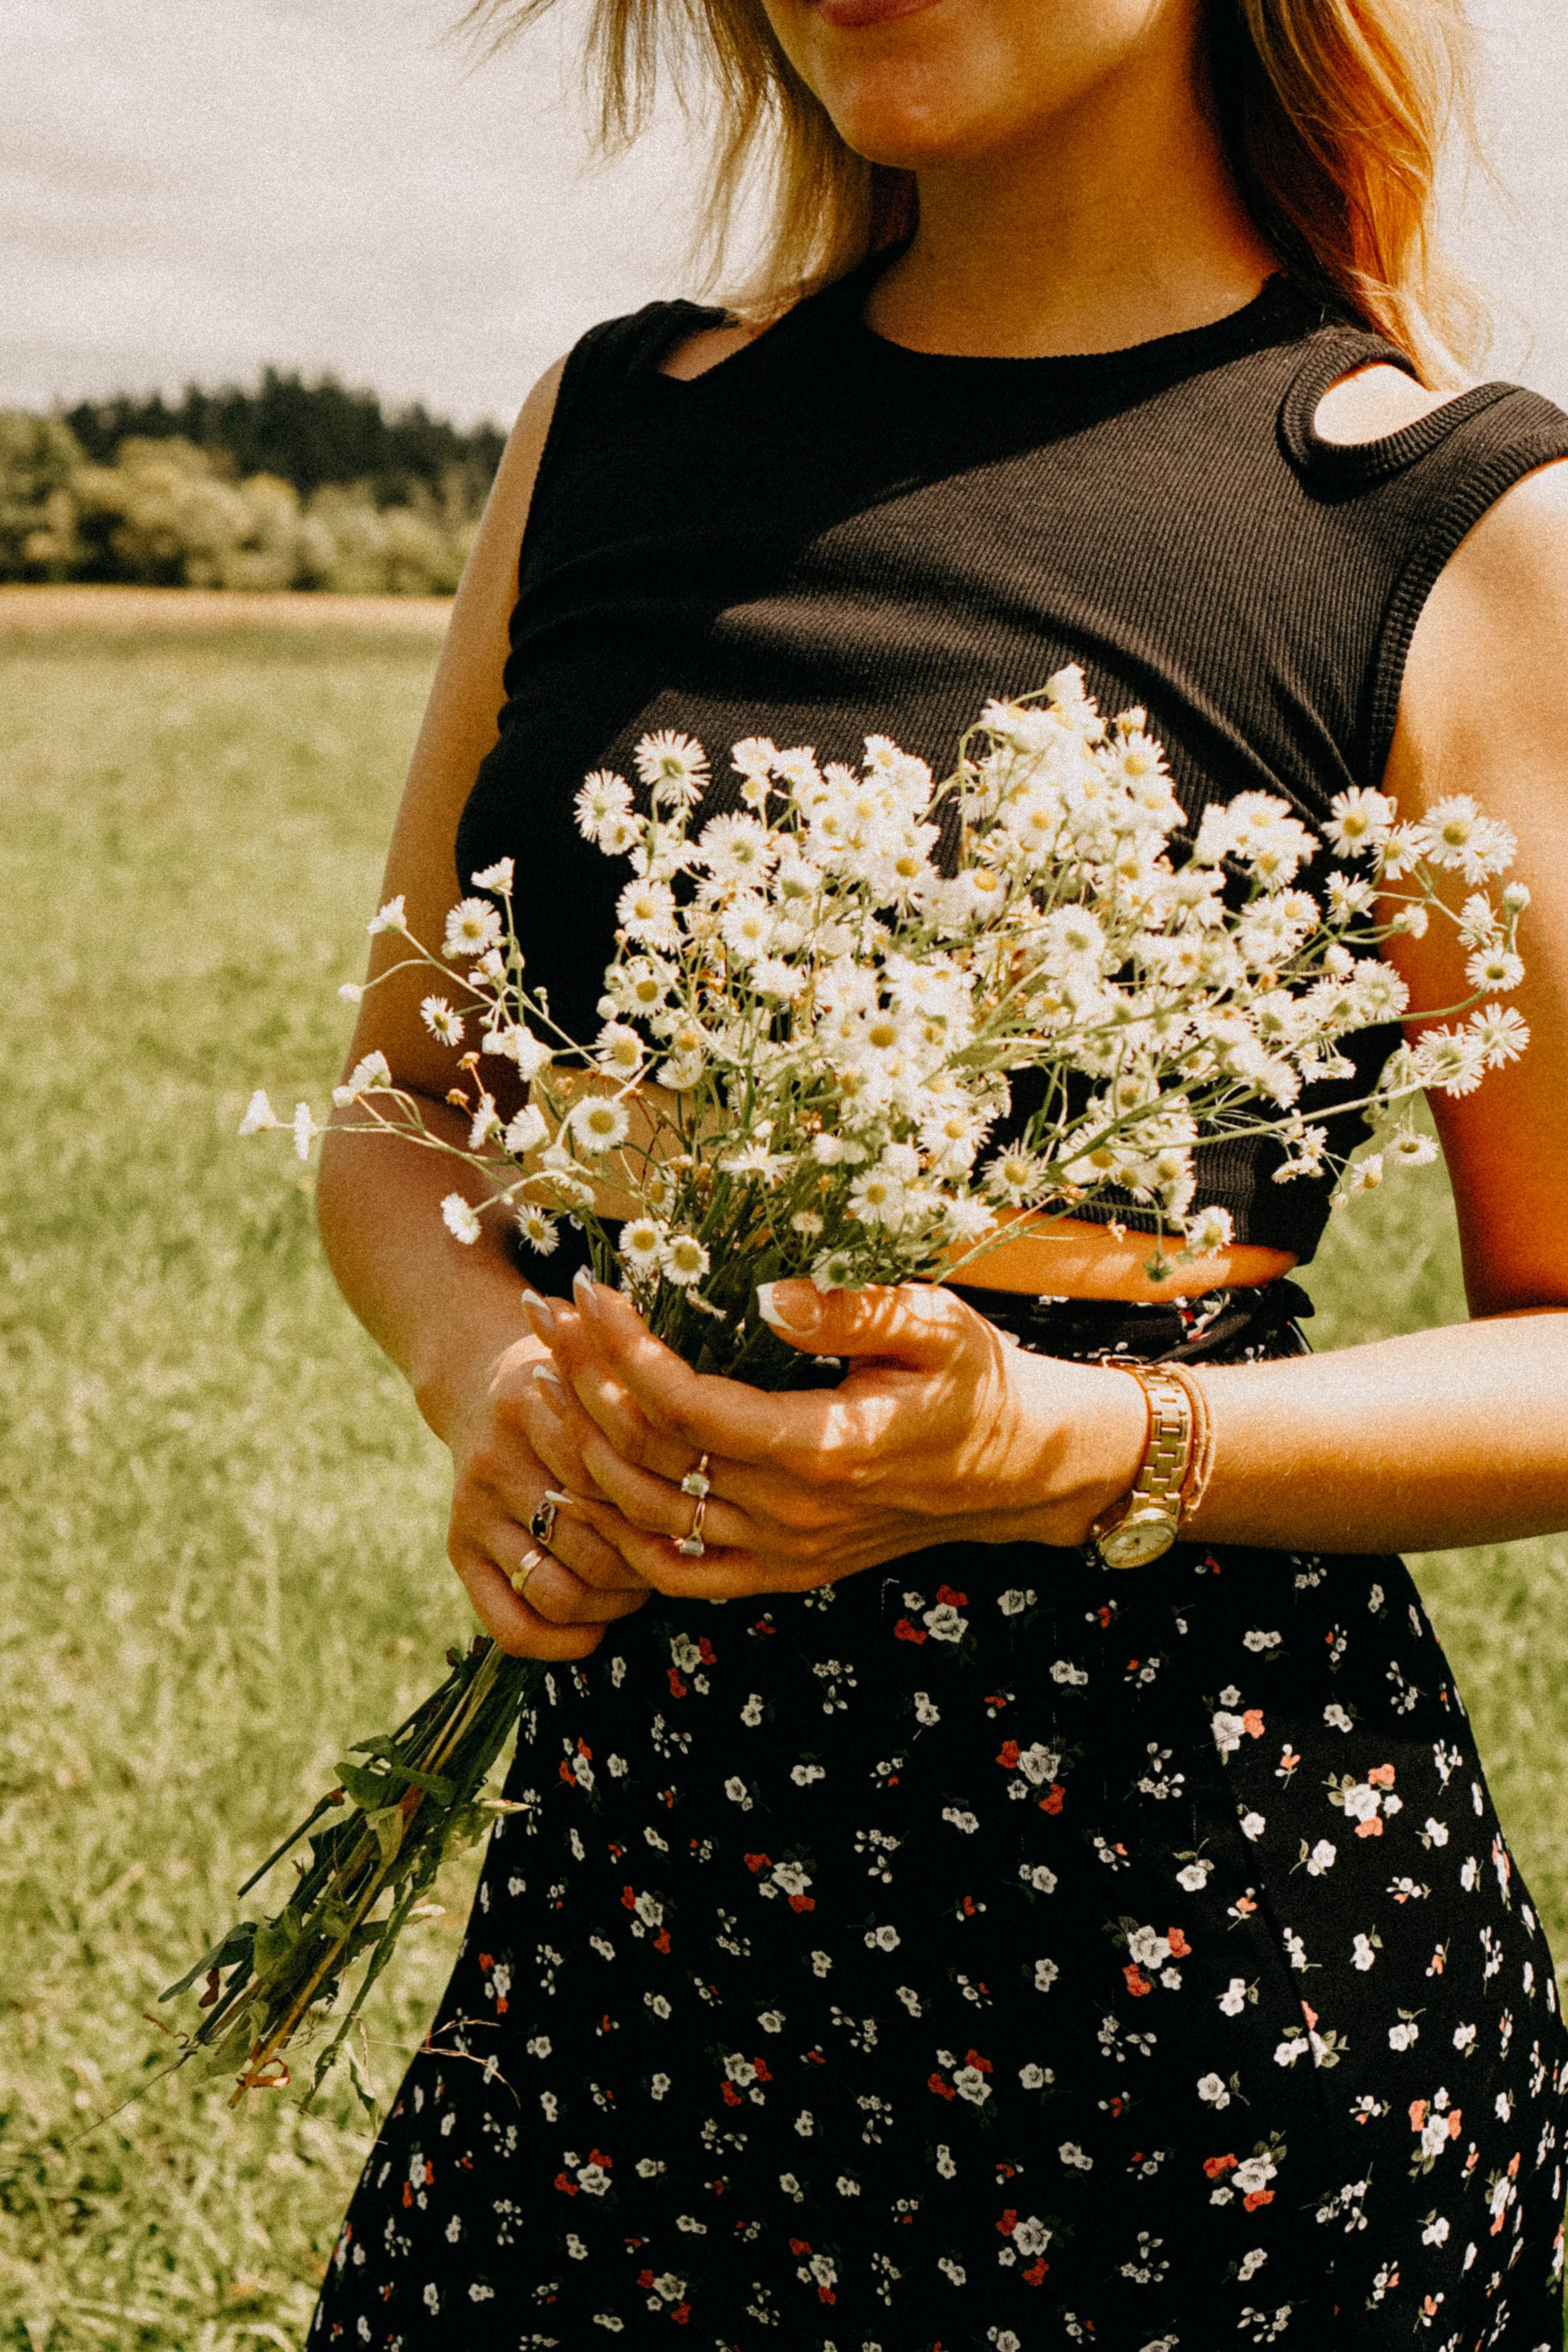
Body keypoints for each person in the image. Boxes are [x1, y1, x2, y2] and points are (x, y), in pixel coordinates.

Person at [307, 0, 1568, 2342]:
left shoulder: (1446, 521)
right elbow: (407, 1107)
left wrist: (1085, 1439)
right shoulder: (614, 427)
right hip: (626, 1971)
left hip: (1197, 2029)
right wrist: (485, 1378)